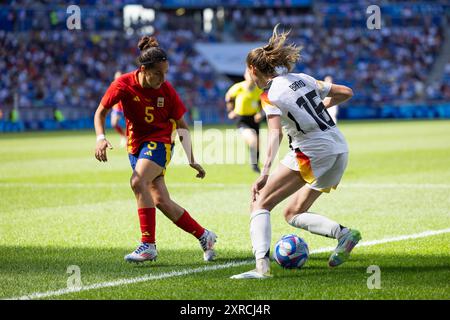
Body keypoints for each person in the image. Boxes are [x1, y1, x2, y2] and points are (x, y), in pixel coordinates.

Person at [231, 25, 361, 279]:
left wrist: (264, 172)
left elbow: (275, 133)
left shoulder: (269, 94)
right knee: (293, 213)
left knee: (259, 202)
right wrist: (322, 105)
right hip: (338, 148)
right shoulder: (303, 79)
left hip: (313, 149)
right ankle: (344, 234)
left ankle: (261, 269)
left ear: (253, 70)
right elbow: (346, 92)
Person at [94, 36, 217, 263]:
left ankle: (148, 245)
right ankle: (204, 236)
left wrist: (191, 159)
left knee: (136, 181)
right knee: (161, 201)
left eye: (166, 73)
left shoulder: (167, 91)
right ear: (143, 69)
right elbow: (100, 111)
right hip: (135, 146)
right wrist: (100, 138)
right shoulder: (122, 84)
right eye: (158, 74)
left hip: (159, 143)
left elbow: (182, 127)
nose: (163, 79)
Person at [225, 68, 264, 173]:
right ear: (245, 75)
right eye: (249, 73)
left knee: (257, 143)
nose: (251, 76)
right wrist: (231, 111)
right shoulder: (238, 87)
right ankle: (253, 164)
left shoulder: (258, 89)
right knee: (253, 139)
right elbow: (228, 98)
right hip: (241, 118)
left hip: (254, 119)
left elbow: (262, 104)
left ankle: (255, 164)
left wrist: (260, 113)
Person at [110, 71, 127, 147]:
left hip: (125, 107)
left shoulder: (126, 85)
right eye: (117, 77)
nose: (118, 78)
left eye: (119, 76)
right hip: (117, 108)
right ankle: (123, 136)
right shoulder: (113, 85)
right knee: (114, 124)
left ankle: (129, 138)